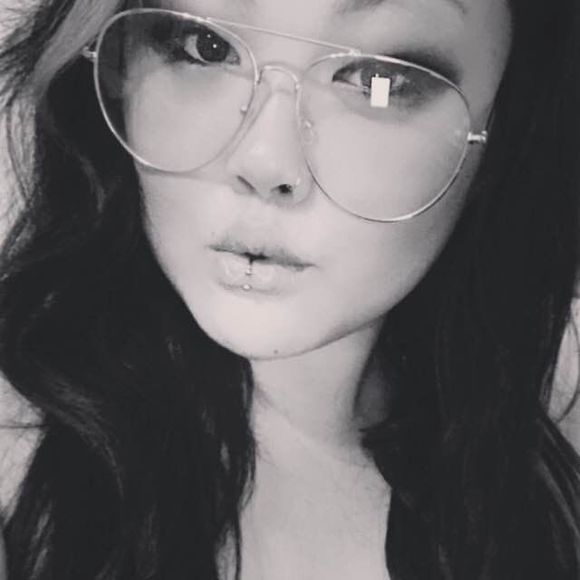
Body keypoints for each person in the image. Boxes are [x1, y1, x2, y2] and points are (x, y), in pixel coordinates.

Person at [0, 0, 579, 578]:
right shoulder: (21, 486)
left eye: (378, 79)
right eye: (205, 47)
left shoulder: (531, 474)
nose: (265, 162)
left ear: (508, 122)